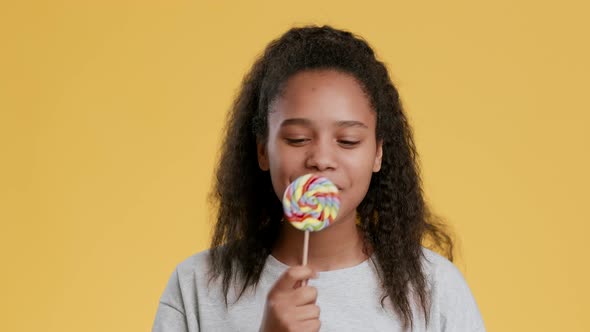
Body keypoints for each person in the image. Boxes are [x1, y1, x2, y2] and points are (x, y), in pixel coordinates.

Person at [152, 25, 485, 332]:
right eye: (297, 138)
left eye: (348, 141)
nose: (321, 159)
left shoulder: (435, 289)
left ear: (378, 154)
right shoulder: (196, 285)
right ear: (263, 151)